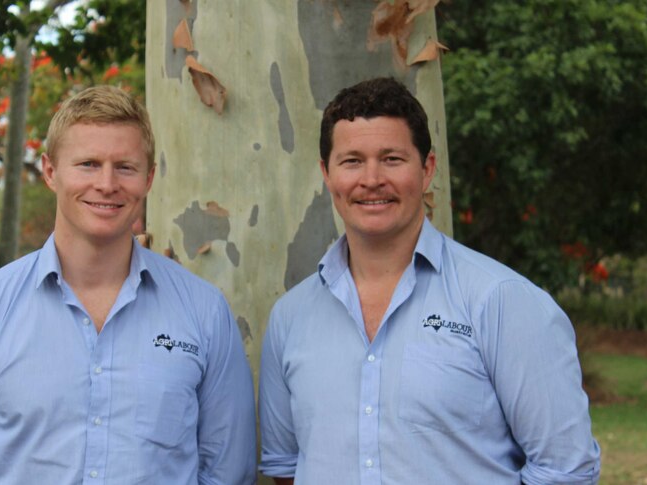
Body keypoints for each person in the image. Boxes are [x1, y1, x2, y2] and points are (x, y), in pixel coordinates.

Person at [258, 77, 601, 484]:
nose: (371, 179)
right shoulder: (291, 318)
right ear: (326, 173)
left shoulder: (503, 302)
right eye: (352, 161)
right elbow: (285, 468)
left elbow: (566, 469)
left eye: (391, 159)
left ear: (427, 169)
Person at [0, 86, 257, 484]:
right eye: (88, 164)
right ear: (50, 172)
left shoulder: (204, 313)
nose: (107, 183)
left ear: (149, 178)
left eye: (125, 167)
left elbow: (228, 473)